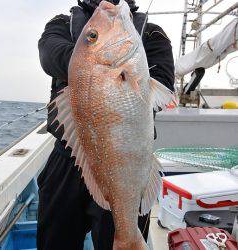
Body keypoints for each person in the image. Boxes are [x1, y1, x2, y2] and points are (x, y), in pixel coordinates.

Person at [37, 0, 175, 249]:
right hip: (67, 157)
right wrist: (97, 64)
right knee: (55, 240)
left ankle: (127, 236)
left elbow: (164, 80)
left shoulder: (153, 32)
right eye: (92, 36)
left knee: (119, 231)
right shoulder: (61, 24)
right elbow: (49, 55)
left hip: (128, 164)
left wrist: (105, 59)